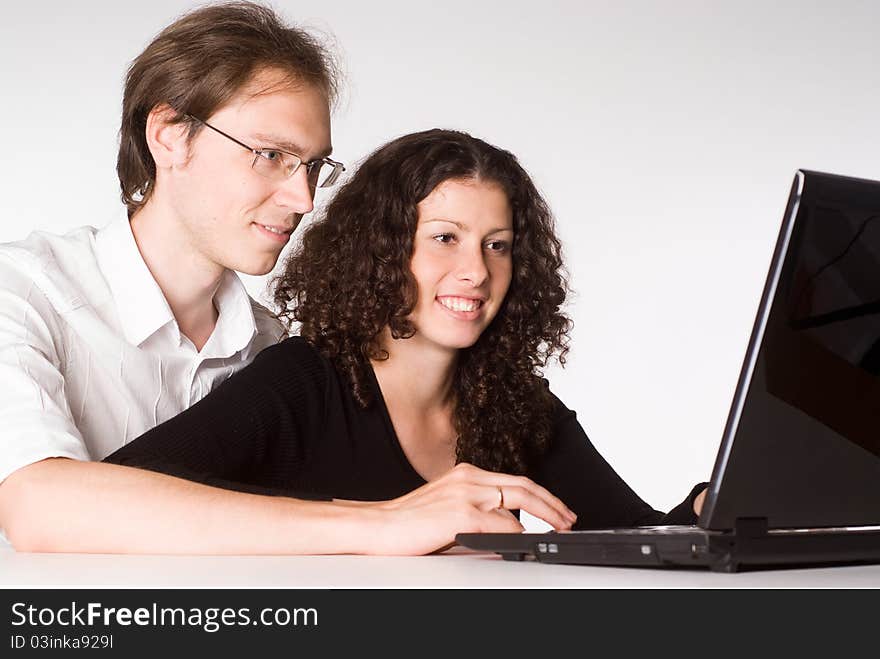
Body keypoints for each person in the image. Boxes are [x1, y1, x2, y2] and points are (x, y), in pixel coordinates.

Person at [104, 129, 707, 555]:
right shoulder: (301, 381)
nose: (476, 270)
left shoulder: (518, 405)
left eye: (497, 245)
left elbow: (640, 537)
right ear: (382, 252)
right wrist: (376, 526)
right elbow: (120, 493)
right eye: (445, 238)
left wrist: (714, 507)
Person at [0, 1, 349, 551]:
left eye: (311, 166)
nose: (303, 199)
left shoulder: (272, 346)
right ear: (168, 135)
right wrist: (381, 523)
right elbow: (36, 507)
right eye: (270, 154)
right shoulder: (20, 293)